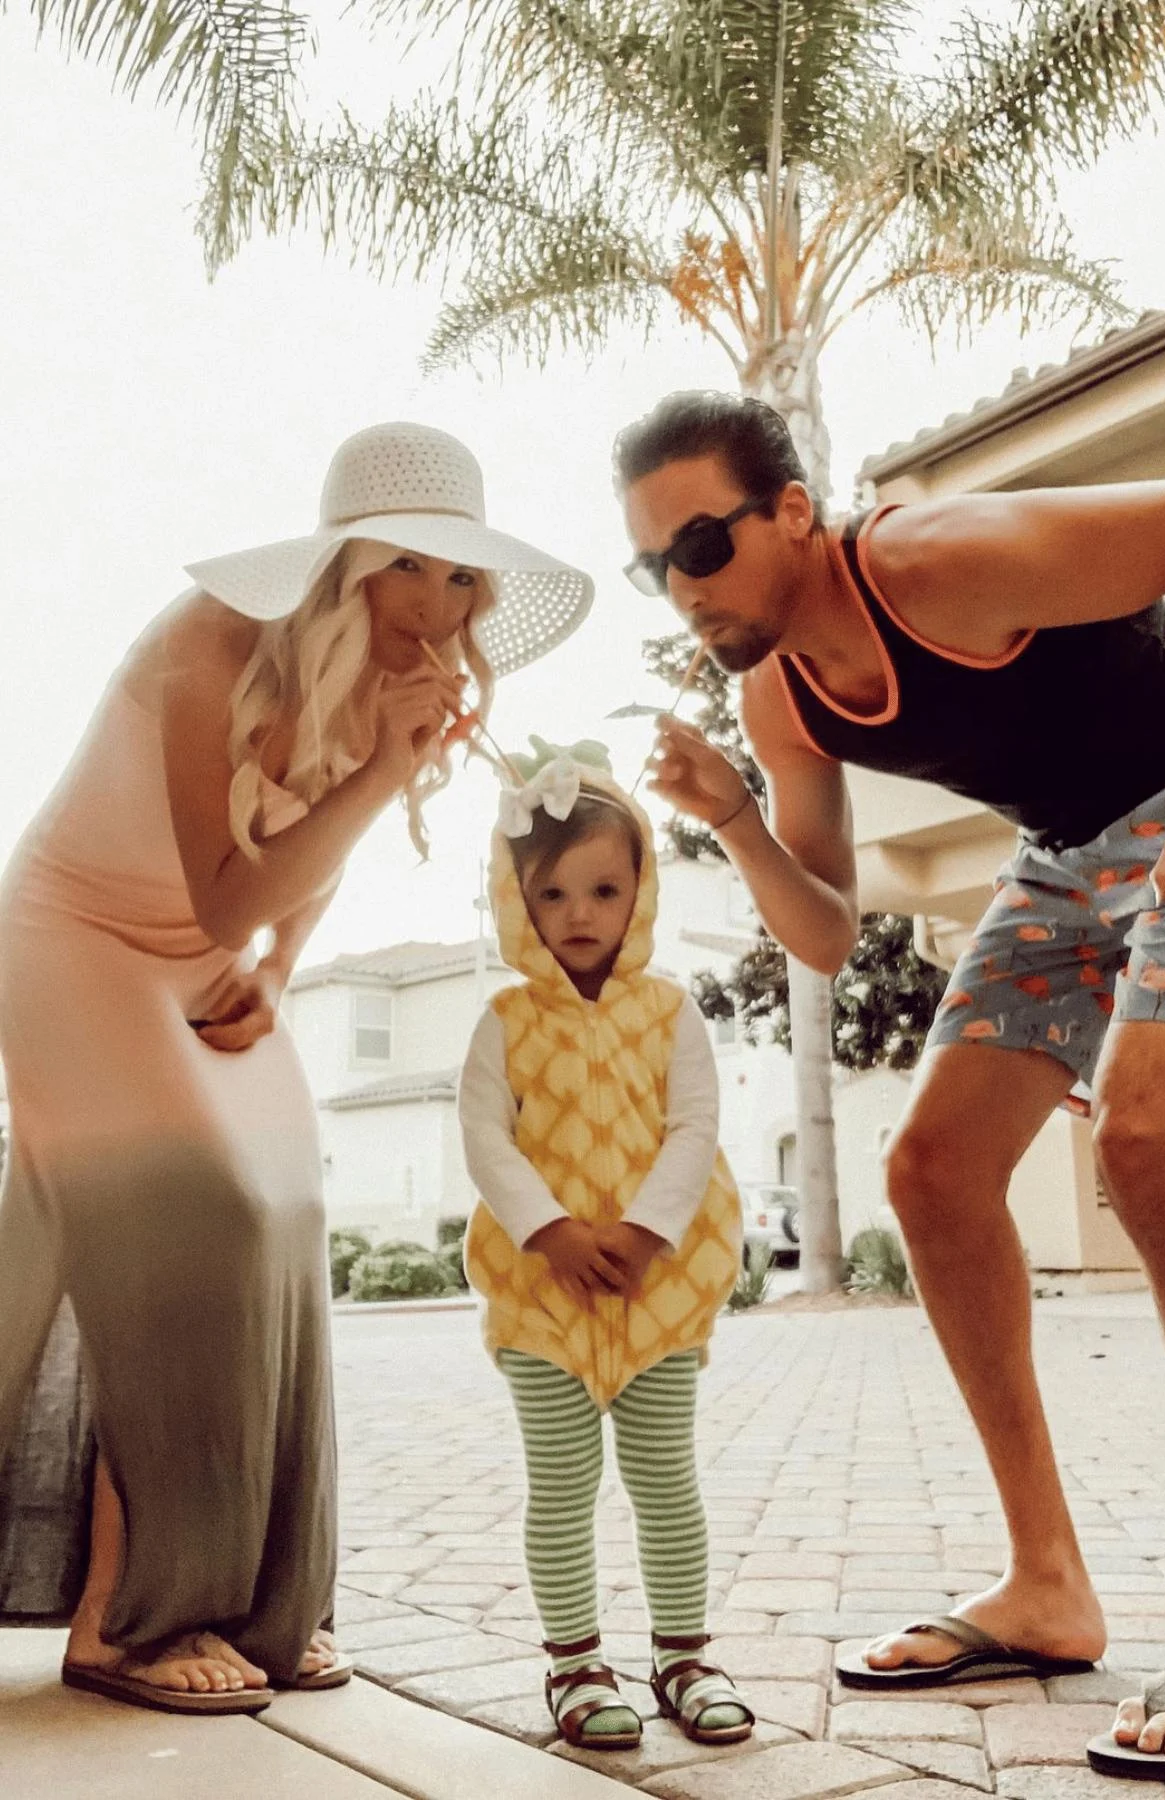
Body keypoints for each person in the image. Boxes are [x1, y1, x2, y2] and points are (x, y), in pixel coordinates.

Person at [613, 388, 1165, 1779]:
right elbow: (823, 929)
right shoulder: (777, 698)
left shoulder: (938, 560)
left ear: (795, 513)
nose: (680, 587)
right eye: (655, 566)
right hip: (1068, 861)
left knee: (1153, 1130)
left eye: (701, 545)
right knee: (931, 1173)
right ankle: (1046, 1583)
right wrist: (739, 818)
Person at [0, 421, 592, 1714]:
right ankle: (126, 1622)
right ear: (346, 565)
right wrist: (384, 769)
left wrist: (281, 971)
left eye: (461, 584)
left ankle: (265, 1608)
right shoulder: (210, 637)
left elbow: (297, 872)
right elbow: (222, 894)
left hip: (205, 952)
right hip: (69, 940)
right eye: (412, 572)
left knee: (292, 1204)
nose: (437, 611)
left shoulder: (395, 686)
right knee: (197, 1212)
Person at [457, 748, 753, 1751]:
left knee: (666, 1474)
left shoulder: (671, 1012)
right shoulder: (504, 1022)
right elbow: (487, 1136)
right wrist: (550, 1228)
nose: (580, 911)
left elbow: (694, 1127)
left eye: (604, 888)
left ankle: (684, 1655)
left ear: (640, 891)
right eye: (553, 892)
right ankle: (576, 1665)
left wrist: (639, 1230)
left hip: (657, 1281)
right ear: (517, 899)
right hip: (544, 1293)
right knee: (563, 1480)